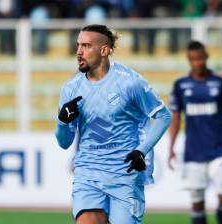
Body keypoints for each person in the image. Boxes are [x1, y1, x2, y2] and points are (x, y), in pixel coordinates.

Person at [55, 24, 171, 224]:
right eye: (78, 45)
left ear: (104, 50)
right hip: (88, 174)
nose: (79, 51)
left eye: (86, 45)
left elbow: (164, 116)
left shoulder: (130, 83)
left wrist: (142, 150)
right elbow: (64, 142)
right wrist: (62, 122)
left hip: (124, 175)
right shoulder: (71, 89)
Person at [168, 41, 222, 224]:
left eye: (200, 58)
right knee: (197, 203)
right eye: (193, 59)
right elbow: (176, 116)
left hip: (220, 149)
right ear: (189, 60)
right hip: (193, 152)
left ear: (206, 57)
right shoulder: (181, 85)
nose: (198, 62)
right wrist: (171, 146)